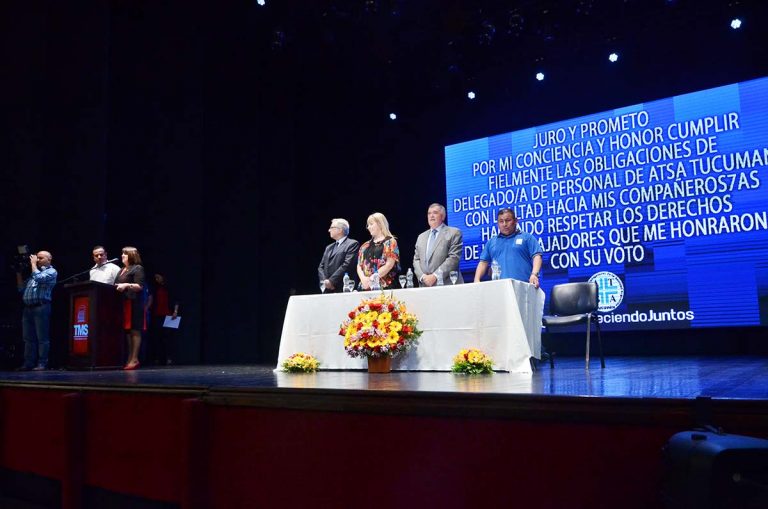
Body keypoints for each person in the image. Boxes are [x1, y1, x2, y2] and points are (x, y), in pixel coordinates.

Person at [474, 208, 543, 288]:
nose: (504, 224)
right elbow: (483, 263)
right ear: (497, 223)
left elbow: (537, 256)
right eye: (501, 221)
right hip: (499, 288)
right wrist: (476, 279)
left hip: (524, 287)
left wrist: (534, 274)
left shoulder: (527, 238)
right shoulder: (491, 242)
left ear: (516, 221)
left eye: (508, 220)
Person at [16, 250, 57, 371]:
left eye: (40, 258)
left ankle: (42, 363)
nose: (37, 260)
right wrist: (18, 273)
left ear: (49, 259)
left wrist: (33, 264)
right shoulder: (33, 274)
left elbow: (39, 278)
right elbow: (21, 289)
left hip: (41, 307)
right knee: (28, 338)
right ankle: (28, 363)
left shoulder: (51, 271)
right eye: (37, 258)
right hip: (28, 309)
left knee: (42, 338)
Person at [413, 203, 464, 286]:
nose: (431, 216)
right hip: (425, 286)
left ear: (443, 216)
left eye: (435, 213)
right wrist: (423, 277)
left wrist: (435, 276)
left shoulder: (454, 233)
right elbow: (416, 260)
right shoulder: (421, 237)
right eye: (429, 213)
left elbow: (453, 258)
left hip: (447, 285)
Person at [114, 246, 146, 370]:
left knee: (135, 331)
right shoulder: (122, 270)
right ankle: (129, 358)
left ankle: (135, 359)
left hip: (134, 303)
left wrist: (127, 285)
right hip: (123, 303)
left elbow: (139, 286)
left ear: (131, 256)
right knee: (127, 332)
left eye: (125, 254)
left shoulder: (138, 268)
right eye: (122, 253)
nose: (122, 256)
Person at [357, 212, 400, 290]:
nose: (368, 227)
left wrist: (372, 278)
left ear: (380, 224)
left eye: (371, 224)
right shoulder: (365, 245)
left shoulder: (390, 242)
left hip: (384, 287)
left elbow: (389, 265)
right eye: (368, 225)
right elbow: (359, 265)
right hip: (365, 286)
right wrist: (363, 279)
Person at [318, 218, 359, 293]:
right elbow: (321, 267)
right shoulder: (329, 247)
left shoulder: (352, 244)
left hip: (343, 287)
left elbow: (347, 265)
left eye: (331, 227)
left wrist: (332, 281)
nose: (329, 230)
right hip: (327, 289)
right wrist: (326, 282)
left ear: (340, 230)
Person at [146, 273, 179, 365]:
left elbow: (175, 300)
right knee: (157, 337)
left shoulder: (169, 287)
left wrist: (175, 311)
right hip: (157, 315)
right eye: (155, 278)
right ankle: (157, 358)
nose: (156, 279)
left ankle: (169, 358)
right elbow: (151, 299)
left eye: (158, 277)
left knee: (167, 338)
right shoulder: (155, 288)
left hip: (168, 315)